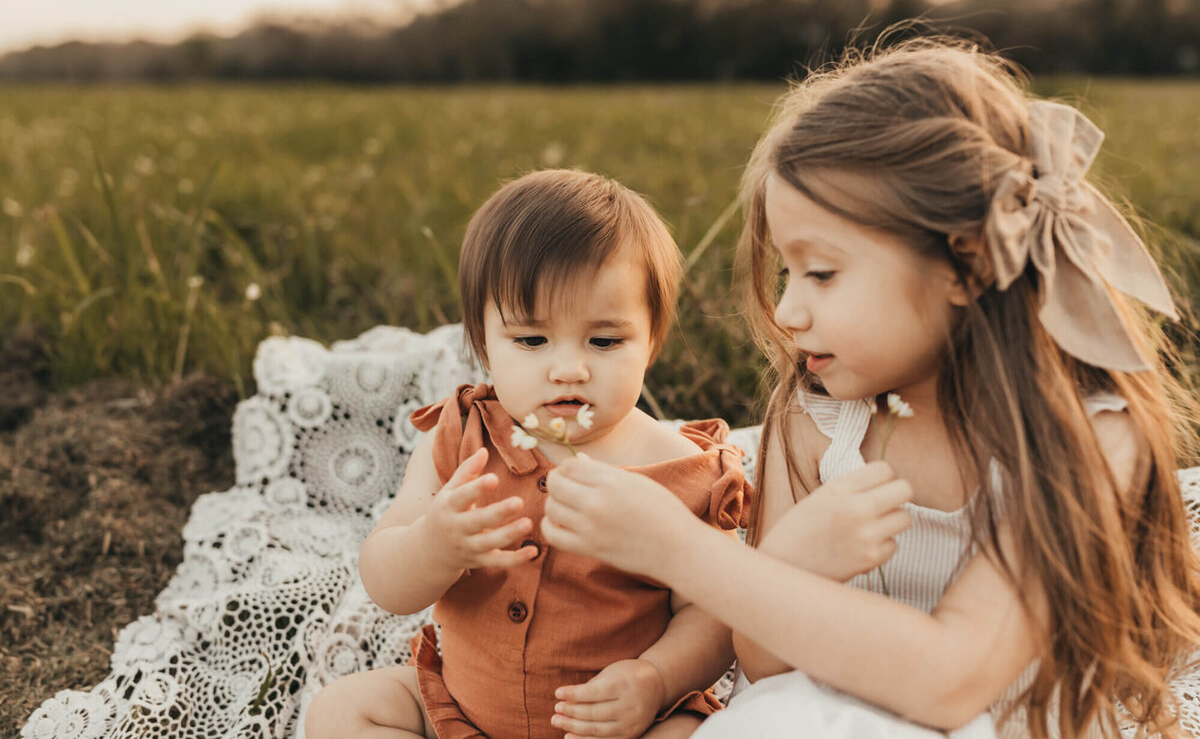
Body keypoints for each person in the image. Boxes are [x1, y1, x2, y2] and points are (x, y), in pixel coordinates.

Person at [540, 37, 1200, 739]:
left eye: (821, 273)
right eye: (788, 274)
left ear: (964, 265)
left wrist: (681, 550)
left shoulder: (1091, 436)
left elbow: (953, 680)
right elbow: (763, 666)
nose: (789, 311)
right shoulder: (821, 418)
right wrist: (796, 559)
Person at [305, 169, 751, 739]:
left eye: (606, 341)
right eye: (532, 340)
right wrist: (432, 546)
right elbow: (386, 583)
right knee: (342, 712)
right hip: (461, 713)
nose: (568, 367)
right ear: (482, 341)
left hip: (620, 728)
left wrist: (655, 680)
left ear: (652, 341)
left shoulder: (682, 473)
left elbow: (714, 615)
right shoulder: (461, 438)